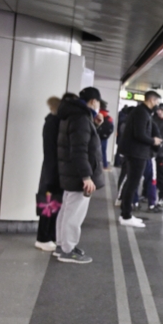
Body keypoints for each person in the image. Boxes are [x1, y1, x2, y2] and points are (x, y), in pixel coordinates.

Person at [53, 88, 105, 264]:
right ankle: (68, 250)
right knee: (74, 213)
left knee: (67, 210)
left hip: (70, 172)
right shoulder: (81, 118)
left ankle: (61, 245)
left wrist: (95, 125)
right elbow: (79, 150)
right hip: (77, 175)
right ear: (93, 101)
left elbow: (80, 142)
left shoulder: (72, 115)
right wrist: (86, 177)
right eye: (98, 102)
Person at [117, 91, 162, 227]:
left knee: (132, 182)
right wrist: (153, 141)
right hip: (137, 153)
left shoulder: (142, 112)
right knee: (132, 183)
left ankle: (126, 213)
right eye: (157, 102)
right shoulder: (141, 113)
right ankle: (126, 215)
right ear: (152, 100)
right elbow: (139, 134)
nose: (157, 105)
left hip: (136, 152)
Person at [35, 96, 62, 252]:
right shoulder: (54, 123)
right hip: (52, 171)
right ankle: (43, 237)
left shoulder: (51, 121)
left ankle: (48, 236)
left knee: (51, 205)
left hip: (50, 170)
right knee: (49, 205)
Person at [96, 102, 113, 169]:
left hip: (98, 136)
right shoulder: (108, 116)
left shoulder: (98, 114)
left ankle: (100, 166)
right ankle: (104, 165)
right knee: (103, 151)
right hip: (104, 137)